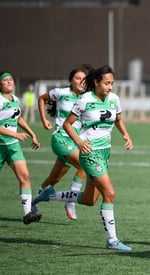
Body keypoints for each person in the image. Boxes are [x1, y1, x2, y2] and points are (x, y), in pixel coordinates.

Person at [32, 65, 134, 251]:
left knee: (89, 200)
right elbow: (67, 125)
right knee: (110, 193)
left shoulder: (113, 99)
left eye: (112, 83)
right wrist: (79, 143)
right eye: (106, 83)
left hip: (105, 153)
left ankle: (49, 195)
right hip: (89, 153)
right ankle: (112, 240)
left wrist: (126, 135)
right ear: (96, 82)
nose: (110, 87)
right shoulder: (84, 100)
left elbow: (118, 119)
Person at [31, 65, 92, 220]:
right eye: (78, 78)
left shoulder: (86, 98)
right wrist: (44, 120)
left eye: (84, 79)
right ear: (71, 80)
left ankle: (34, 202)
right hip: (61, 139)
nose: (81, 81)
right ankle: (70, 202)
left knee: (54, 179)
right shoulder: (61, 92)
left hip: (74, 142)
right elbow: (42, 98)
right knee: (84, 166)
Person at [0, 71, 41, 224]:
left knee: (24, 176)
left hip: (12, 146)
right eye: (5, 80)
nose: (9, 82)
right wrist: (15, 134)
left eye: (11, 79)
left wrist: (32, 134)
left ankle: (27, 213)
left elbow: (18, 118)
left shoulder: (15, 99)